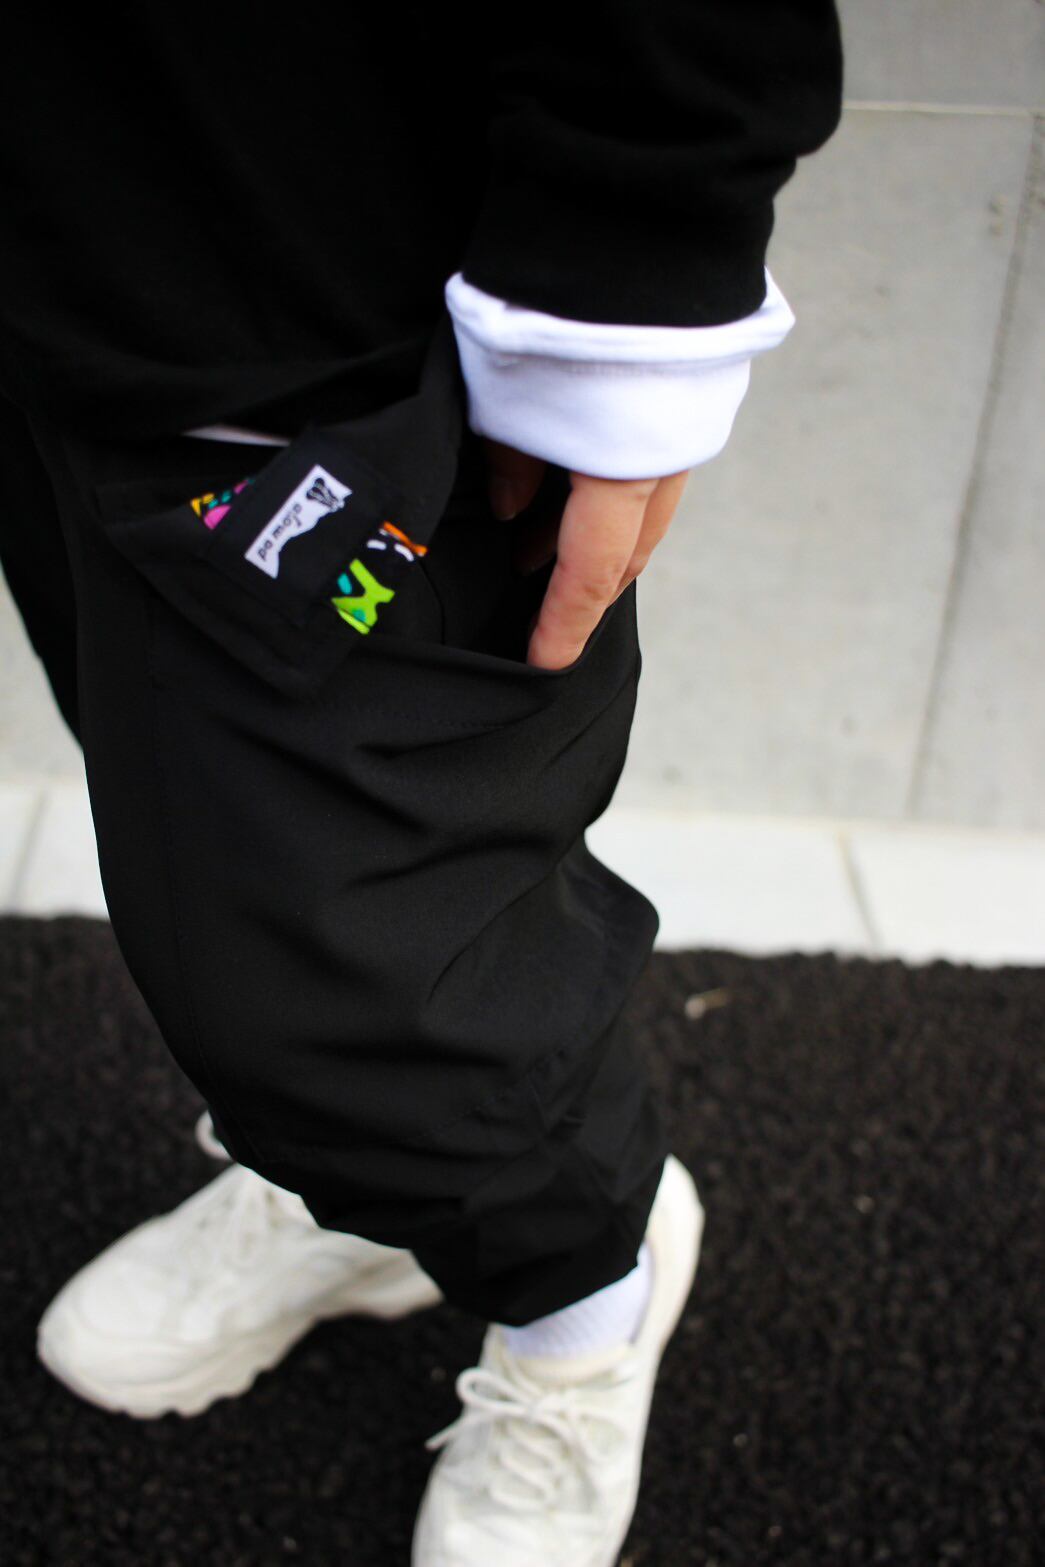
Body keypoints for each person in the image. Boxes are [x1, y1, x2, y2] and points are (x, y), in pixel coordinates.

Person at [0, 5, 843, 1562]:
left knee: (370, 969)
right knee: (196, 860)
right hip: (66, 262)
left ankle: (589, 1288)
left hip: (331, 340)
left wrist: (635, 258)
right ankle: (355, 1197)